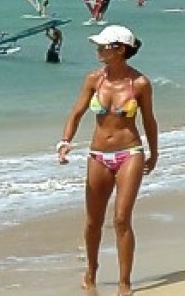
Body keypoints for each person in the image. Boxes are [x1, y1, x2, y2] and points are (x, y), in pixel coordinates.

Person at [56, 25, 158, 296]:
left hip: (130, 154)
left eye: (104, 46)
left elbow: (149, 120)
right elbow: (76, 113)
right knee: (93, 221)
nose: (99, 50)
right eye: (99, 46)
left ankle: (125, 283)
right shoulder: (93, 79)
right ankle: (91, 271)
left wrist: (154, 153)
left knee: (122, 219)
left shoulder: (140, 84)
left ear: (120, 50)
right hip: (98, 156)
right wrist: (65, 141)